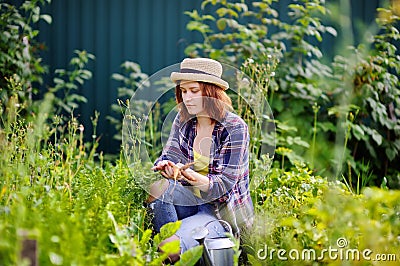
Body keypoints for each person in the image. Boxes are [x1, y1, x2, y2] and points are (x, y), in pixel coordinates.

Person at [148, 57, 254, 263]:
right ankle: (176, 247)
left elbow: (224, 186)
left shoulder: (235, 128)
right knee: (158, 187)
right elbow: (169, 155)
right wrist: (166, 167)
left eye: (194, 91)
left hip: (219, 211)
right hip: (189, 199)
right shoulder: (183, 120)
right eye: (184, 91)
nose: (187, 98)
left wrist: (190, 175)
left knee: (167, 249)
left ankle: (173, 249)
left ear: (212, 91)